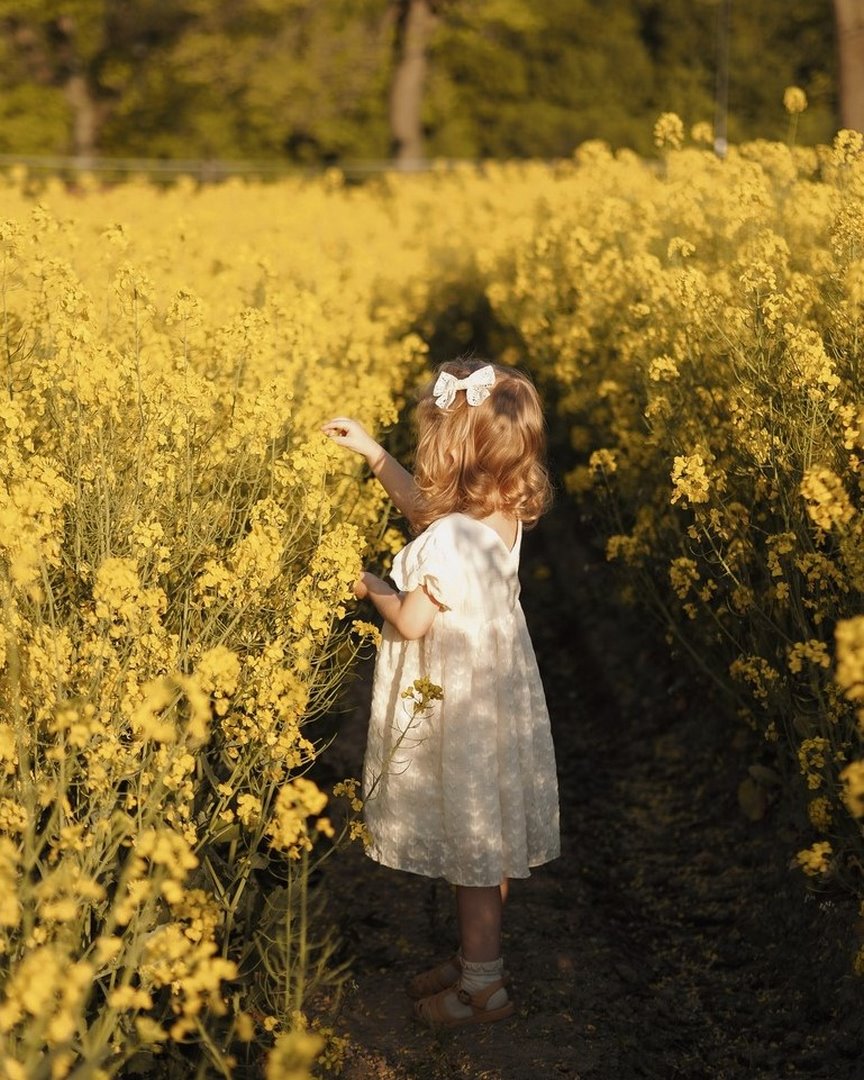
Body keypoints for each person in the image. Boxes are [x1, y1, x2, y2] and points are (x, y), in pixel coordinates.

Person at [321, 358, 560, 1028]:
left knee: (474, 849)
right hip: (496, 699)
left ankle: (484, 988)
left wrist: (368, 582)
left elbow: (411, 619)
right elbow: (430, 514)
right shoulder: (499, 516)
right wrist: (373, 455)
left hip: (459, 706)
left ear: (449, 453)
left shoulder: (452, 536)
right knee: (489, 839)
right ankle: (474, 956)